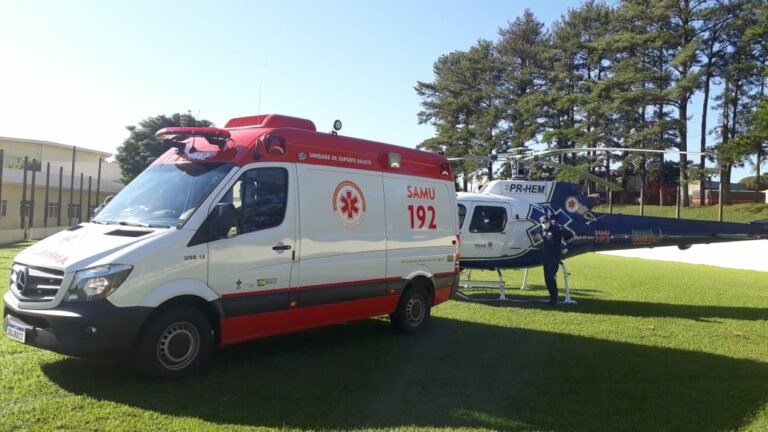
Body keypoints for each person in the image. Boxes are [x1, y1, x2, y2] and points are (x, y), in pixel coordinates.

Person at [538, 214, 572, 305]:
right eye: (543, 222)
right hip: (546, 257)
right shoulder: (542, 230)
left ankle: (554, 299)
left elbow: (570, 236)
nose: (545, 223)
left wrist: (567, 248)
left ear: (549, 221)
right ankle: (552, 298)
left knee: (550, 276)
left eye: (546, 221)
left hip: (555, 256)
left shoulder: (557, 229)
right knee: (547, 278)